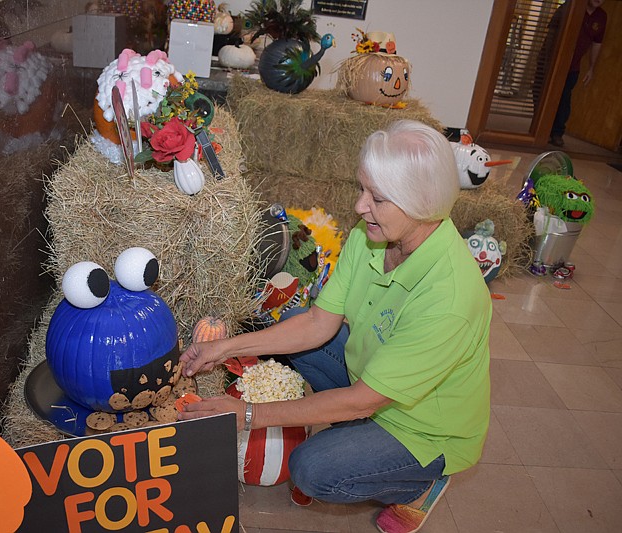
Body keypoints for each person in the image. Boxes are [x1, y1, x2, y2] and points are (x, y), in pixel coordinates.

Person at [177, 119, 491, 533]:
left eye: (376, 197)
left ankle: (418, 483)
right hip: (375, 380)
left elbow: (364, 399)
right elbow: (316, 322)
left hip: (424, 431)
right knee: (293, 321)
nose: (360, 207)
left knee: (312, 470)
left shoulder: (448, 299)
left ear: (421, 203)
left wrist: (248, 414)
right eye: (363, 190)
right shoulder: (370, 236)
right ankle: (359, 437)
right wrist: (225, 347)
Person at [547, 0, 607, 147]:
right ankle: (542, 131)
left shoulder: (601, 16)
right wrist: (547, 60)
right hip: (551, 62)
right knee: (544, 96)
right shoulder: (570, 6)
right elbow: (551, 33)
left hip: (573, 67)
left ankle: (556, 133)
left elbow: (597, 43)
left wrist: (591, 68)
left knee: (564, 98)